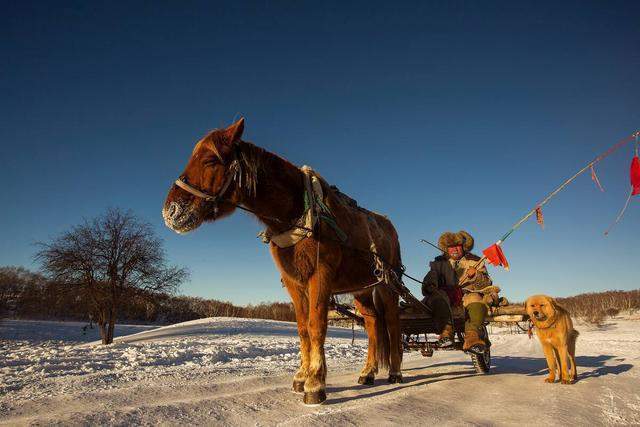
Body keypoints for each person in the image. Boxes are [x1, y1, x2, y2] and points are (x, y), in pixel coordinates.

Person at [421, 230, 502, 352]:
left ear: (463, 247)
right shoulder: (439, 263)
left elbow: (487, 283)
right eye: (451, 247)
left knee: (475, 298)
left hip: (468, 295)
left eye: (457, 246)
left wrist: (476, 275)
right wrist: (430, 285)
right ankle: (446, 334)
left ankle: (472, 338)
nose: (454, 249)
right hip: (445, 298)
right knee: (439, 296)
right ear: (446, 249)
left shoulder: (476, 261)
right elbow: (429, 279)